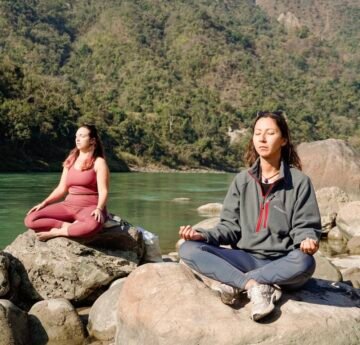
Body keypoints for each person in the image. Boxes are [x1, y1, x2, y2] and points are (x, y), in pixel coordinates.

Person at [178, 111, 321, 322]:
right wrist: (202, 236)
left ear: (283, 140)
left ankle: (235, 283)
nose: (262, 139)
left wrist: (307, 240)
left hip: (282, 262)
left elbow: (305, 226)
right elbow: (228, 228)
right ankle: (254, 286)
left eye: (270, 133)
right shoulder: (242, 181)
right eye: (257, 133)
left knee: (305, 262)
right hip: (245, 258)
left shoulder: (299, 182)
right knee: (187, 248)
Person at [24, 124, 110, 241]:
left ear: (92, 140)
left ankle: (58, 232)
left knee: (92, 226)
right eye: (76, 136)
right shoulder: (71, 160)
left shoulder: (99, 162)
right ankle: (68, 227)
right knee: (31, 219)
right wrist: (44, 203)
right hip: (68, 206)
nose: (77, 139)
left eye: (82, 136)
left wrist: (99, 209)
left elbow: (103, 191)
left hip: (90, 207)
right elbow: (61, 188)